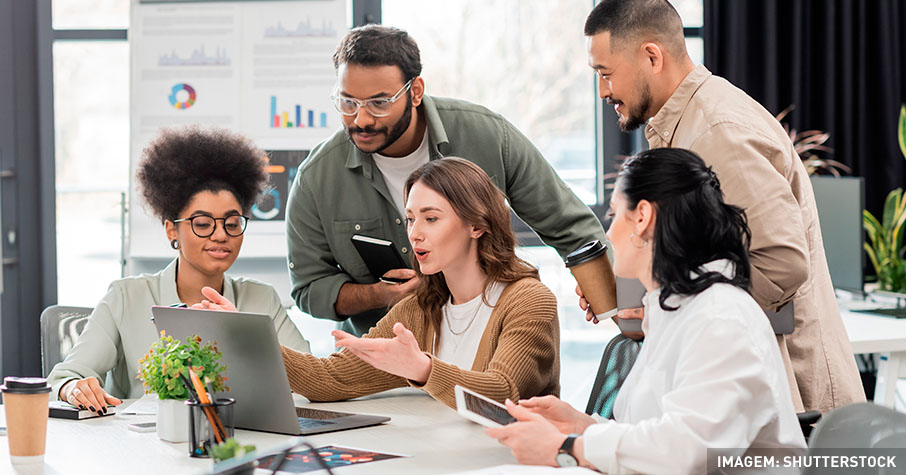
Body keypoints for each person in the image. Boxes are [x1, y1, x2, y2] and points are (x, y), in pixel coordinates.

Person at [580, 0, 864, 413]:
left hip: (790, 388)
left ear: (652, 56)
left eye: (605, 74)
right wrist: (639, 292)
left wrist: (664, 306)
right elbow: (710, 257)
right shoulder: (681, 125)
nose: (603, 91)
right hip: (747, 375)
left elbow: (780, 264)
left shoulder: (717, 132)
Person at [487, 148, 807, 473]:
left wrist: (566, 448)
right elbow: (653, 431)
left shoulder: (720, 317)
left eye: (613, 215)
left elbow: (688, 450)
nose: (608, 233)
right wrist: (581, 426)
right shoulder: (673, 308)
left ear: (642, 217)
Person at [286, 24, 607, 336]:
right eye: (348, 102)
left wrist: (610, 293)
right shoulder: (317, 178)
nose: (362, 119)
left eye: (379, 103)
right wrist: (380, 295)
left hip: (486, 342)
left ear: (415, 92)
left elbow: (571, 227)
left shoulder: (487, 135)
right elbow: (309, 288)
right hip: (382, 357)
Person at [197, 157, 560, 409]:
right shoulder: (421, 308)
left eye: (431, 219)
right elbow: (332, 379)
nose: (415, 234)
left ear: (477, 225)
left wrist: (421, 369)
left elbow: (503, 392)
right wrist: (247, 335)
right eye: (410, 219)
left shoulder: (528, 300)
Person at [47, 127, 310, 412]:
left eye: (232, 223)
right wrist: (73, 388)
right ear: (172, 229)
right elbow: (65, 378)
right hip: (142, 447)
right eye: (202, 223)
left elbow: (310, 378)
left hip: (238, 442)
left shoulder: (262, 299)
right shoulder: (126, 296)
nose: (220, 235)